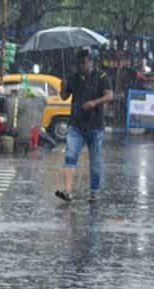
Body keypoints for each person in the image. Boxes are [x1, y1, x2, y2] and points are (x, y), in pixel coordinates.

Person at [55, 48, 113, 203]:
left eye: (84, 63)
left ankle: (94, 192)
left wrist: (94, 102)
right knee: (70, 156)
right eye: (79, 63)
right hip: (76, 125)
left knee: (95, 160)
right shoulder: (73, 78)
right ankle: (67, 191)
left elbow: (109, 95)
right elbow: (64, 96)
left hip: (95, 125)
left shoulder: (101, 77)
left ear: (91, 62)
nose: (81, 66)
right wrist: (63, 86)